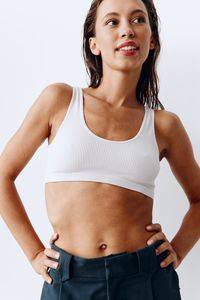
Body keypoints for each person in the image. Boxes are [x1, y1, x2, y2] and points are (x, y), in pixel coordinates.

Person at [0, 0, 199, 299]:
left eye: (138, 20)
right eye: (112, 22)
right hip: (68, 280)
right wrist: (32, 254)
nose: (127, 30)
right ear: (94, 44)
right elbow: (3, 175)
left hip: (144, 279)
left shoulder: (163, 125)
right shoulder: (59, 101)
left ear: (152, 40)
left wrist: (179, 250)